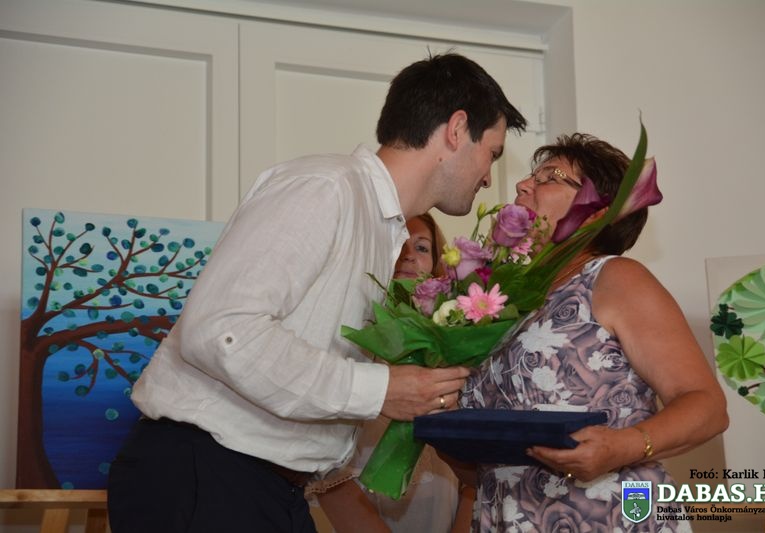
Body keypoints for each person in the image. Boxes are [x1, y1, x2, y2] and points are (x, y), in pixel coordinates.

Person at [106, 52, 527, 533]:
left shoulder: (381, 230)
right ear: (456, 129)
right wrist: (380, 390)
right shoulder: (326, 187)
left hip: (268, 488)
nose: (488, 176)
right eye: (492, 153)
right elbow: (221, 330)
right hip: (207, 473)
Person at [452, 133, 728, 532]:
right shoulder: (501, 299)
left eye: (550, 177)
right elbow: (482, 467)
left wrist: (623, 446)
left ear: (597, 212)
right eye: (531, 175)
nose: (523, 185)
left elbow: (707, 406)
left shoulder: (615, 278)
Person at [310, 213, 472, 533]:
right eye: (398, 243)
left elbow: (476, 466)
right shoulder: (343, 336)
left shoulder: (460, 343)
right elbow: (322, 464)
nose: (408, 255)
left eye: (422, 247)